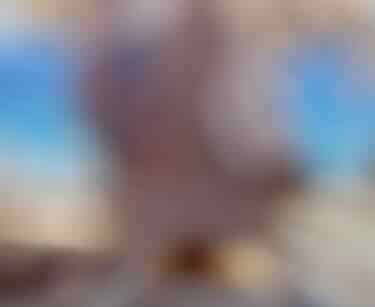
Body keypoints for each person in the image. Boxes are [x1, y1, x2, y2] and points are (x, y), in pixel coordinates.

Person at [81, 0, 300, 260]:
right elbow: (259, 151)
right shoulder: (231, 45)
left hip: (143, 227)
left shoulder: (122, 40)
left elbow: (101, 118)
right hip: (221, 242)